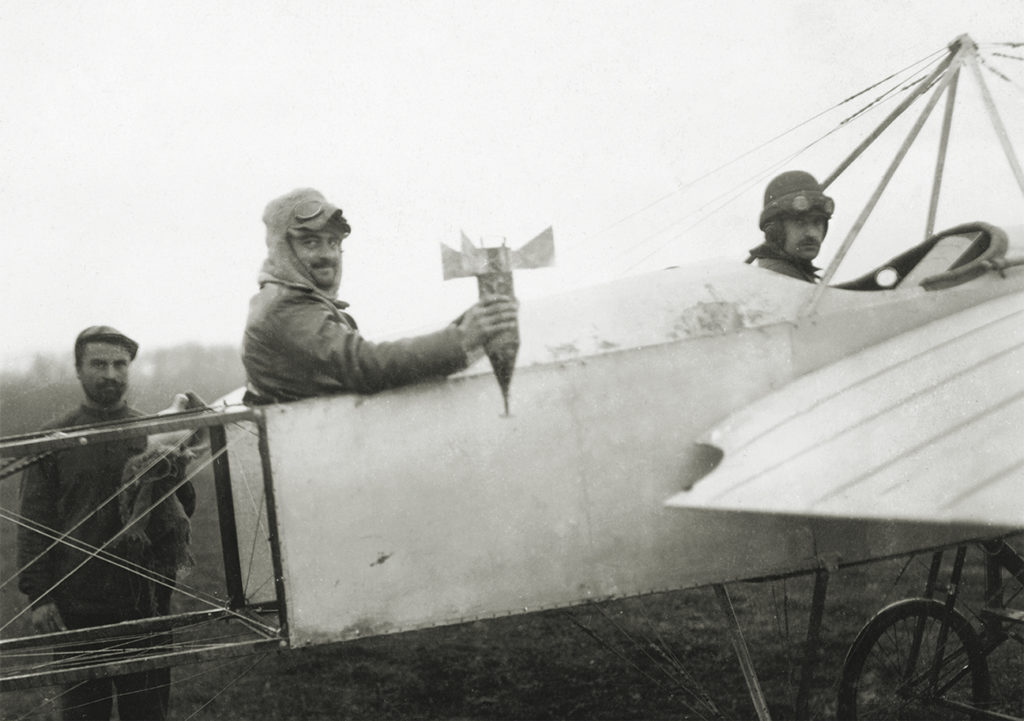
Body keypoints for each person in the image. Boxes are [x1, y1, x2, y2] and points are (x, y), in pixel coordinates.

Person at [17, 326, 197, 721]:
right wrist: (40, 596)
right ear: (79, 369)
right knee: (84, 713)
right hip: (78, 606)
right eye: (99, 364)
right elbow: (33, 521)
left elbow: (183, 511)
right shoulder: (53, 438)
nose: (111, 374)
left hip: (145, 601)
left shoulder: (152, 432)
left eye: (120, 364)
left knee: (147, 713)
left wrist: (174, 468)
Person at [242, 187, 520, 403]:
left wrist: (473, 326)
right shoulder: (284, 307)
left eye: (334, 243)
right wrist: (461, 339)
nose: (328, 255)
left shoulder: (299, 305)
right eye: (311, 242)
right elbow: (365, 364)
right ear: (282, 250)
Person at [746, 170, 835, 282]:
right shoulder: (777, 281)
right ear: (775, 231)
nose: (812, 233)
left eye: (817, 222)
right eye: (800, 223)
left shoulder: (797, 278)